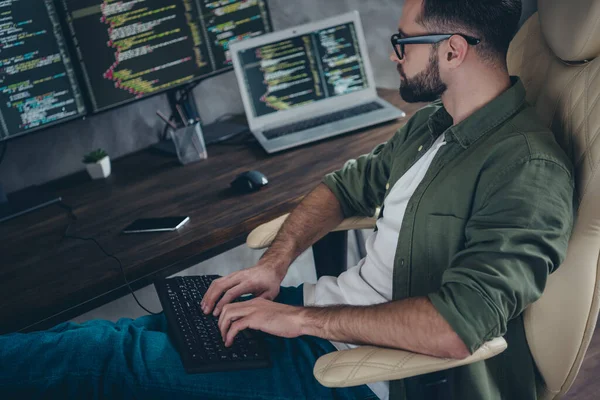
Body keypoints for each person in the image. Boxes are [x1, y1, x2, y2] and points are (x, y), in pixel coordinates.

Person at [0, 0, 575, 399]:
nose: (394, 53)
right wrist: (274, 268)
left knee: (104, 365)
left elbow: (458, 325)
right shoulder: (433, 124)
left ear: (452, 50)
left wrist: (299, 319)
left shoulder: (527, 168)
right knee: (108, 336)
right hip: (321, 320)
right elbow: (343, 186)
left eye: (404, 42)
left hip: (362, 375)